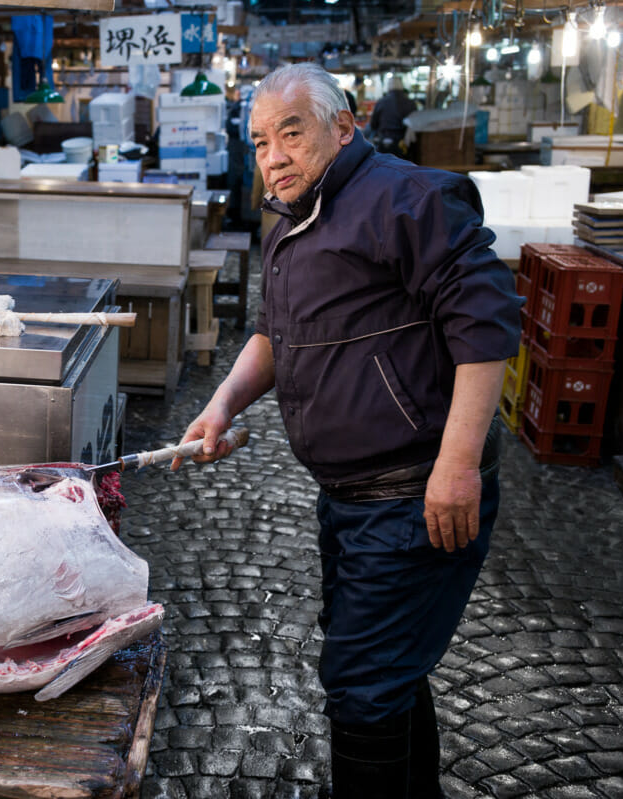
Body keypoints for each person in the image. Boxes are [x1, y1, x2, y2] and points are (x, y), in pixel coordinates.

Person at [172, 63, 520, 798]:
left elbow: (487, 321)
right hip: (351, 500)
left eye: (291, 133)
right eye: (261, 140)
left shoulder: (404, 196)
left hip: (413, 499)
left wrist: (457, 464)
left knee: (361, 683)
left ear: (345, 125)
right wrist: (224, 403)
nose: (273, 156)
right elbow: (275, 332)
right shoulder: (293, 218)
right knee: (387, 672)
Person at [366, 76, 417, 153]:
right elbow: (414, 123)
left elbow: (373, 124)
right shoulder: (410, 103)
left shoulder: (381, 102)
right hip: (403, 143)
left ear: (388, 88)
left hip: (383, 140)